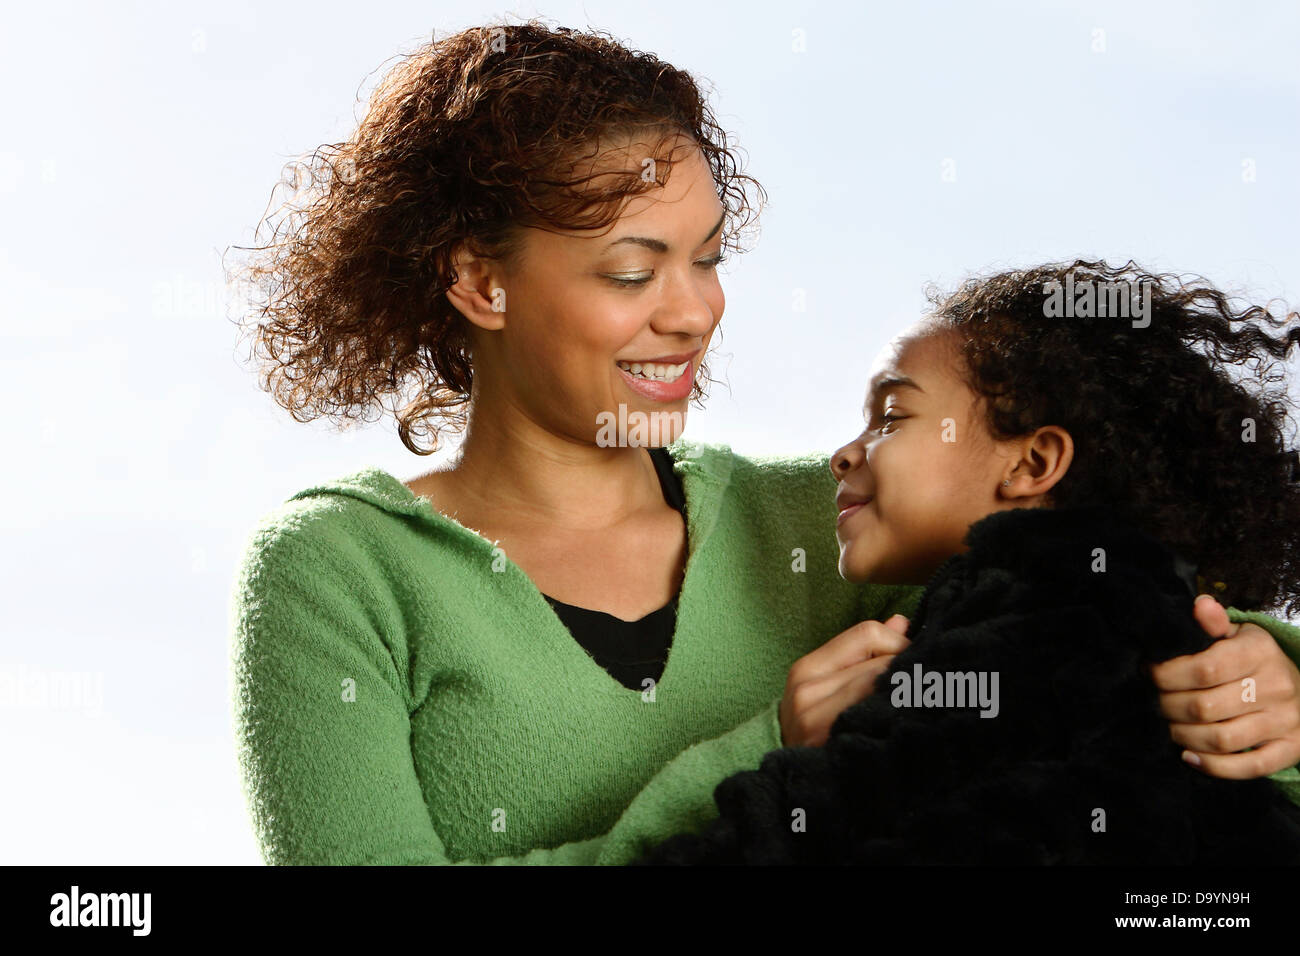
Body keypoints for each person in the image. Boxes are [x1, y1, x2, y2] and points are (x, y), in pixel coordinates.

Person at [227, 23, 1300, 865]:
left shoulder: (829, 532)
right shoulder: (340, 571)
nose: (694, 311)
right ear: (481, 283)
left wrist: (1271, 683)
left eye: (708, 256)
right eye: (634, 269)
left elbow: (1098, 616)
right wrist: (759, 755)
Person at [634, 261, 1300, 864]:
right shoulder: (1115, 616)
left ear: (1032, 463)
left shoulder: (1025, 631)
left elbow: (828, 817)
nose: (844, 454)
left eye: (892, 419)